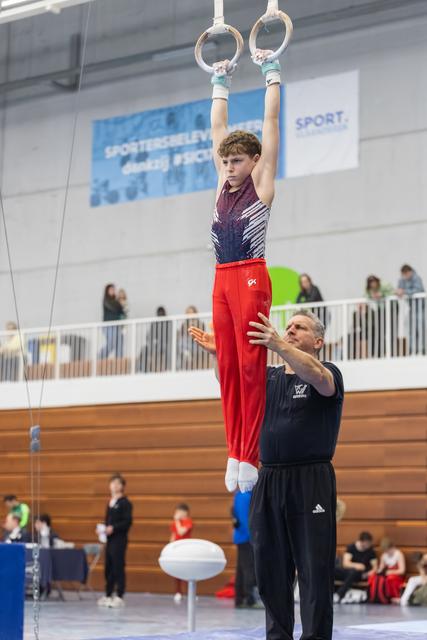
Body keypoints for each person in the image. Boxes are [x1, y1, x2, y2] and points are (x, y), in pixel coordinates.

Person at [190, 308, 344, 640]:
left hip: (310, 481)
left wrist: (276, 343)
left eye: (299, 327)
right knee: (271, 569)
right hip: (269, 479)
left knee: (313, 571)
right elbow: (229, 382)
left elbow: (319, 378)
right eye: (287, 326)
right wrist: (220, 355)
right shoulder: (270, 377)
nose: (290, 330)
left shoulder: (327, 372)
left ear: (318, 340)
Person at [209, 47, 282, 493]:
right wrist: (220, 81)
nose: (230, 167)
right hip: (221, 279)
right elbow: (218, 128)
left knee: (253, 366)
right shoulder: (221, 181)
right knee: (230, 366)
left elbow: (270, 127)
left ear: (253, 161)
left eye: (236, 161)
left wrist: (271, 74)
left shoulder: (263, 180)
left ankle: (250, 453)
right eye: (227, 161)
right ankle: (233, 450)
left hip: (252, 274)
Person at [98, 474, 133, 609]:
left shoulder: (125, 503)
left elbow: (127, 521)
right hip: (109, 540)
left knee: (118, 566)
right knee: (109, 566)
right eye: (113, 483)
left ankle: (119, 595)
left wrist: (114, 528)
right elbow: (108, 521)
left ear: (122, 486)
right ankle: (108, 594)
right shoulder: (110, 502)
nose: (115, 486)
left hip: (119, 539)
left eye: (118, 483)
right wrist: (103, 529)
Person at [334, 531, 378, 603]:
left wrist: (367, 574)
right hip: (348, 572)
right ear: (362, 542)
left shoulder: (371, 551)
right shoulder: (351, 547)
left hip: (361, 575)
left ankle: (339, 594)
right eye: (368, 543)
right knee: (333, 570)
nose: (369, 545)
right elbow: (346, 563)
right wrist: (358, 565)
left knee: (355, 572)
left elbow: (375, 567)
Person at [232, 490, 258, 609]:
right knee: (248, 568)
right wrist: (253, 536)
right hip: (246, 537)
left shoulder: (245, 495)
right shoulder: (244, 496)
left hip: (243, 536)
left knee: (242, 569)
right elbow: (244, 518)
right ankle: (249, 599)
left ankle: (240, 598)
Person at [396, 264, 425, 355]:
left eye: (406, 274)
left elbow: (419, 290)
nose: (405, 277)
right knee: (412, 329)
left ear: (410, 272)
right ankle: (413, 349)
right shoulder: (402, 279)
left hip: (421, 308)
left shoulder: (416, 278)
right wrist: (399, 290)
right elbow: (399, 288)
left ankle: (422, 349)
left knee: (421, 329)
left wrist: (405, 291)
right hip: (412, 308)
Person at [368, 538, 405, 602]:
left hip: (397, 576)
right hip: (386, 574)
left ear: (392, 547)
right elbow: (381, 568)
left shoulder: (398, 554)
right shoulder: (384, 555)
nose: (386, 552)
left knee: (389, 578)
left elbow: (402, 571)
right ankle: (375, 596)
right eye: (385, 550)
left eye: (387, 550)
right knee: (374, 577)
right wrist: (378, 572)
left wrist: (390, 572)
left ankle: (390, 597)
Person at [169, 503, 193, 603]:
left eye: (180, 512)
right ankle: (178, 592)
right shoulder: (175, 523)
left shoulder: (188, 521)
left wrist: (177, 521)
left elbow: (181, 532)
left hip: (186, 549)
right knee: (177, 572)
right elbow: (174, 535)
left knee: (187, 572)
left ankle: (190, 593)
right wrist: (170, 547)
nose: (178, 514)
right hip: (177, 549)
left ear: (185, 512)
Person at [99, 284, 125, 359]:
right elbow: (115, 309)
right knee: (112, 344)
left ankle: (119, 363)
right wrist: (119, 304)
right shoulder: (106, 300)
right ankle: (100, 356)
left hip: (118, 326)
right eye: (111, 289)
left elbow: (122, 312)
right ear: (107, 291)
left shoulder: (116, 301)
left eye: (114, 289)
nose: (113, 291)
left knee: (119, 345)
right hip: (109, 326)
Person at [177, 306, 205, 370]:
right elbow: (182, 336)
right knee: (182, 341)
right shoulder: (184, 324)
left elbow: (201, 335)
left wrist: (194, 325)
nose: (189, 314)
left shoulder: (200, 323)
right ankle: (186, 354)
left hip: (196, 344)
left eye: (191, 312)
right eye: (188, 313)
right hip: (187, 344)